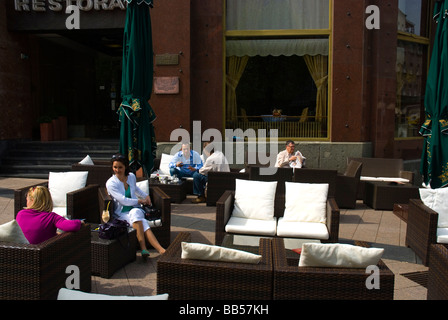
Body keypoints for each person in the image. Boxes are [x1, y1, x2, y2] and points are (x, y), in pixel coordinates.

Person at [106, 153, 165, 258]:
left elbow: (136, 189)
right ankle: (159, 249)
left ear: (125, 167)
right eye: (115, 167)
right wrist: (140, 201)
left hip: (135, 209)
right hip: (121, 214)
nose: (117, 170)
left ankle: (144, 249)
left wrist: (146, 196)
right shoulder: (111, 183)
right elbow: (123, 200)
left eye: (120, 167)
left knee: (135, 213)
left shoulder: (131, 177)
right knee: (142, 222)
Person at [16, 186, 83, 245]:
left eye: (27, 200)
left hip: (24, 251)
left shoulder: (20, 214)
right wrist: (80, 222)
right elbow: (73, 226)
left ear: (32, 200)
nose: (26, 203)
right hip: (46, 252)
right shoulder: (52, 217)